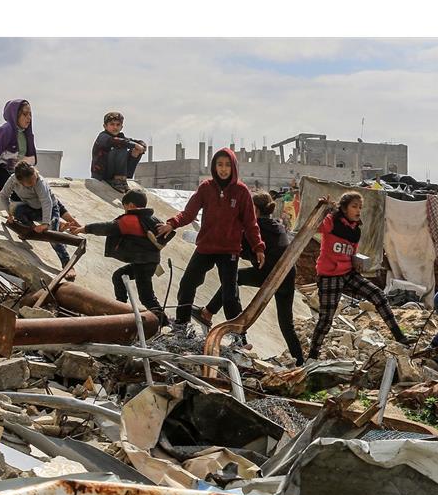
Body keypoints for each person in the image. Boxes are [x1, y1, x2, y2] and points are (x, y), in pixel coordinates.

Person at [156, 147, 264, 329]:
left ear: (233, 167)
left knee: (230, 295)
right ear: (214, 167)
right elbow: (189, 213)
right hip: (205, 247)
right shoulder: (206, 188)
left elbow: (250, 223)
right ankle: (182, 325)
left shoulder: (241, 191)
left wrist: (258, 247)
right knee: (187, 284)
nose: (223, 169)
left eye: (227, 165)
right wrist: (172, 223)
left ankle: (239, 336)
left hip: (229, 251)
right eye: (219, 165)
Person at [200, 191, 305, 365]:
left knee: (234, 277)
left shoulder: (255, 227)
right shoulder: (276, 225)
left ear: (253, 209)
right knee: (286, 323)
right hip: (286, 275)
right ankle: (301, 362)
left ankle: (209, 312)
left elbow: (238, 247)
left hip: (270, 275)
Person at [308, 191, 415, 359]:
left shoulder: (356, 230)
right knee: (326, 318)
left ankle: (399, 336)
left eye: (360, 207)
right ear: (343, 208)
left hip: (348, 272)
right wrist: (322, 208)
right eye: (354, 206)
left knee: (378, 295)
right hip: (329, 275)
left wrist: (356, 262)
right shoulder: (332, 222)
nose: (358, 210)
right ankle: (312, 355)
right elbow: (316, 226)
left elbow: (352, 252)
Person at [81, 189, 172, 326]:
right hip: (147, 262)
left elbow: (108, 228)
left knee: (146, 297)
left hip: (143, 263)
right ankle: (121, 308)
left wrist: (85, 229)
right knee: (118, 276)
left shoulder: (132, 219)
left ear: (130, 206)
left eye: (125, 208)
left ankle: (164, 324)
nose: (125, 211)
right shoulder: (152, 219)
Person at [0, 162, 80, 268]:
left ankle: (67, 264)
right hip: (32, 208)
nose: (34, 181)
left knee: (52, 236)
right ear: (20, 181)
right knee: (16, 209)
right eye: (30, 182)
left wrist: (45, 224)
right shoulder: (13, 180)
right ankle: (30, 230)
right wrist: (9, 214)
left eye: (34, 178)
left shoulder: (39, 182)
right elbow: (3, 195)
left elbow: (47, 202)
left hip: (50, 208)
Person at [0, 99, 36, 194]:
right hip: (3, 171)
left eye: (30, 114)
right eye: (25, 114)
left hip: (21, 173)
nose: (29, 118)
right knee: (22, 194)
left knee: (43, 191)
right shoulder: (5, 130)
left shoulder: (27, 134)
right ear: (15, 114)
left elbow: (30, 159)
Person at [91, 112, 146, 192]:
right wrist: (135, 145)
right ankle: (118, 180)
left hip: (115, 174)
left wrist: (140, 147)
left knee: (135, 149)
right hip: (102, 174)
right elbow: (117, 142)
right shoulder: (103, 137)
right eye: (112, 124)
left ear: (121, 127)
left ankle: (122, 179)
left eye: (118, 125)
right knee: (121, 146)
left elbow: (136, 142)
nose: (115, 127)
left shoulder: (120, 137)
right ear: (105, 126)